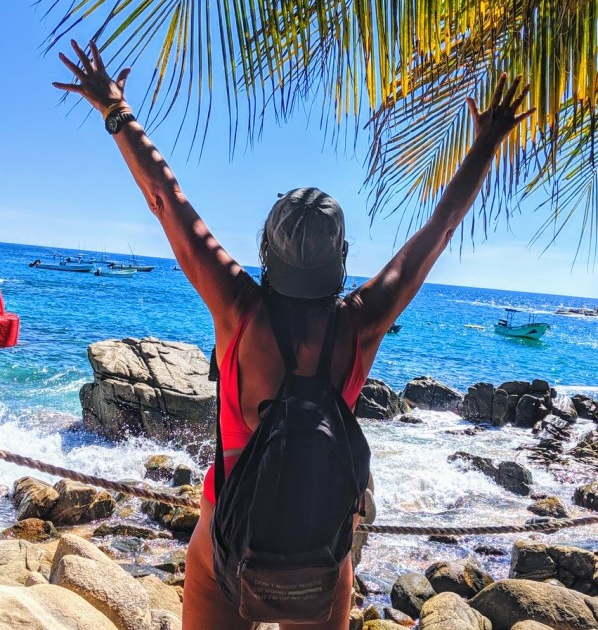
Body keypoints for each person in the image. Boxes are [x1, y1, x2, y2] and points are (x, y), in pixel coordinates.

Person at [54, 40, 534, 629]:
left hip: (227, 541)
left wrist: (116, 110)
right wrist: (485, 143)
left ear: (267, 249)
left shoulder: (238, 309)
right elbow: (441, 227)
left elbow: (165, 197)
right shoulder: (361, 322)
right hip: (321, 551)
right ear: (341, 256)